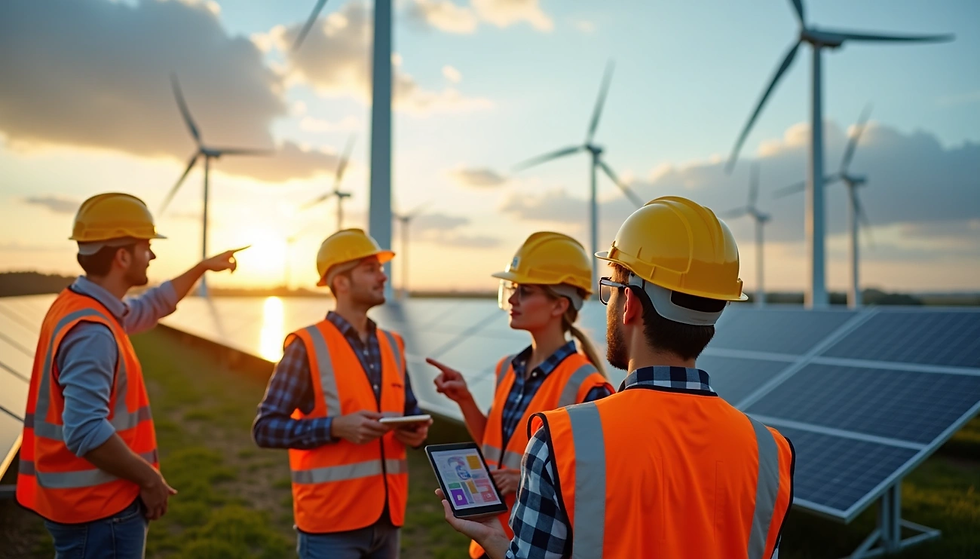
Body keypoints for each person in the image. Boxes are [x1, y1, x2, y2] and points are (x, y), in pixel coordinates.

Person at [438, 196, 796, 559]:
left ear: (631, 304)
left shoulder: (563, 439)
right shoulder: (772, 453)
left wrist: (498, 543)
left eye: (609, 290)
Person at [16, 192, 244, 558]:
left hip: (85, 504)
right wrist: (149, 478)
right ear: (122, 256)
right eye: (146, 247)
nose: (152, 255)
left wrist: (201, 268)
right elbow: (85, 431)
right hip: (99, 509)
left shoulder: (81, 306)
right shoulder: (91, 330)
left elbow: (152, 305)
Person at [427, 232, 614, 559]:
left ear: (559, 304)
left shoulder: (589, 386)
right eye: (512, 289)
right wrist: (465, 401)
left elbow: (594, 490)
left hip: (537, 545)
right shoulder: (507, 369)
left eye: (524, 291)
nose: (513, 299)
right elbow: (495, 443)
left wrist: (525, 478)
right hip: (489, 535)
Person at [252, 229, 430, 559]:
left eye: (380, 268)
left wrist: (415, 430)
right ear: (341, 282)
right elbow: (265, 428)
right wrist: (335, 427)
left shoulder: (393, 345)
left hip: (388, 519)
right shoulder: (306, 346)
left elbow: (408, 410)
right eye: (370, 269)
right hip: (331, 525)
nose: (383, 276)